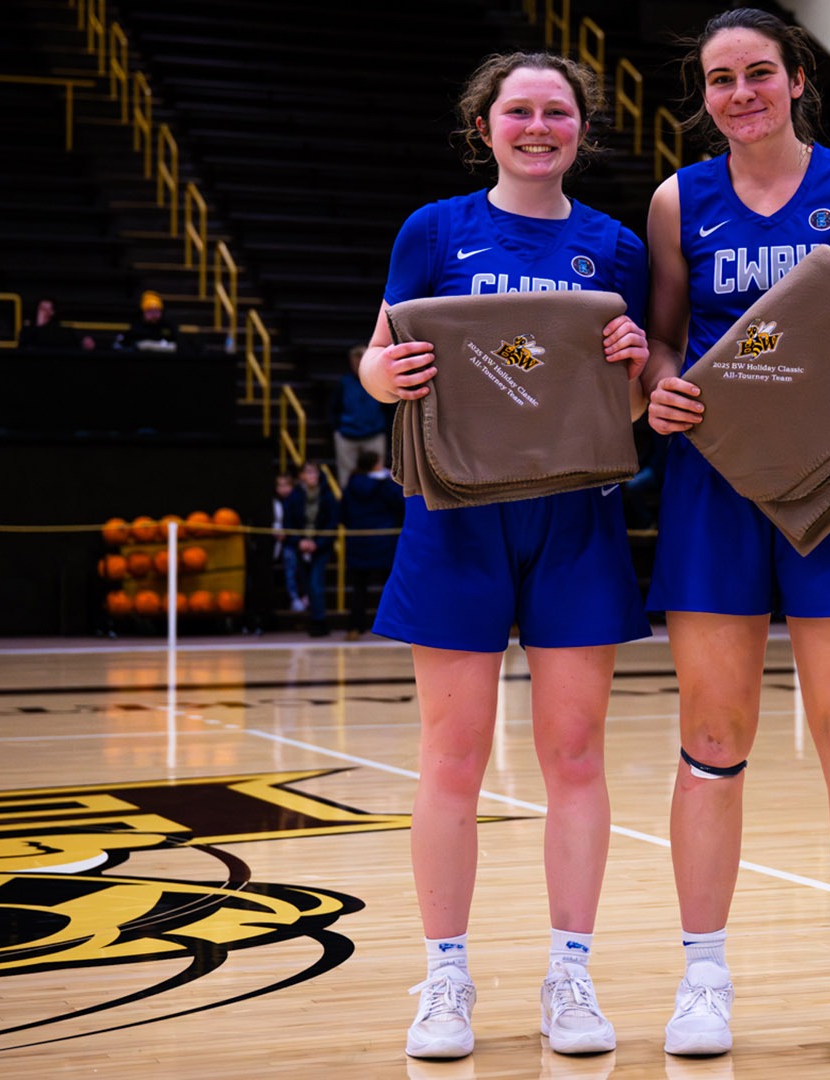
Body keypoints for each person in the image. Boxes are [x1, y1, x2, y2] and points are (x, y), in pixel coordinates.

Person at [639, 8, 830, 1062]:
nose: (741, 94)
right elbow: (666, 343)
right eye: (721, 80)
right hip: (714, 486)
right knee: (712, 741)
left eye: (758, 73)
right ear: (706, 95)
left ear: (799, 77)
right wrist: (661, 391)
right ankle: (703, 980)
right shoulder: (679, 199)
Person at [355, 49, 651, 1062]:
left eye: (556, 111)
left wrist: (637, 367)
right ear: (485, 125)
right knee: (452, 756)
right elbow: (377, 357)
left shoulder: (613, 247)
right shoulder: (434, 229)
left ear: (580, 129)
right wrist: (383, 374)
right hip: (457, 518)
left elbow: (641, 402)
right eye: (518, 110)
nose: (538, 126)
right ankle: (444, 976)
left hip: (576, 518)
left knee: (573, 755)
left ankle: (571, 972)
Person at [338, 450, 404, 641]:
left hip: (358, 542)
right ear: (375, 464)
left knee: (359, 589)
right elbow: (400, 505)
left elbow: (343, 514)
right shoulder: (386, 485)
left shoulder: (351, 484)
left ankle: (355, 627)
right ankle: (392, 629)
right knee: (389, 587)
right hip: (384, 541)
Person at [282, 460, 338, 636]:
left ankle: (319, 620)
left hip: (320, 547)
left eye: (314, 472)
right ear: (301, 476)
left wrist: (317, 543)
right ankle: (314, 617)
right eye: (308, 472)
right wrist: (299, 541)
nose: (311, 476)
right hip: (299, 546)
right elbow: (288, 522)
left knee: (316, 583)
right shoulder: (294, 497)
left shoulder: (327, 495)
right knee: (305, 584)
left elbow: (332, 523)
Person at [334, 345, 391, 480]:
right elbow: (334, 408)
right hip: (348, 436)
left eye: (361, 358)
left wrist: (383, 429)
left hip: (374, 435)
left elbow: (388, 407)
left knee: (377, 477)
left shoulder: (377, 380)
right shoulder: (344, 383)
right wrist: (338, 429)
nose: (358, 363)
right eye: (355, 359)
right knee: (347, 478)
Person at [17, 297, 95, 351]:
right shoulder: (27, 330)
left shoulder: (61, 331)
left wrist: (83, 343)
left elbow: (73, 345)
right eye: (41, 309)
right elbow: (23, 347)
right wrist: (39, 325)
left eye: (46, 310)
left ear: (52, 312)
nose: (42, 312)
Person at [116, 291, 185, 352]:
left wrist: (149, 345)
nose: (153, 315)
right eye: (149, 311)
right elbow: (122, 346)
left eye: (157, 311)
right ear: (143, 312)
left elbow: (180, 346)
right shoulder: (135, 327)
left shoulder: (168, 325)